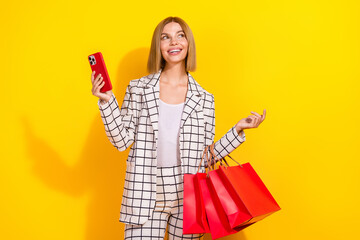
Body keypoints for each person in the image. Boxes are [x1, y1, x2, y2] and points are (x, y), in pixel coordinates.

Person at [91, 16, 266, 240]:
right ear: (159, 46)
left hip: (189, 193)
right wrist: (107, 102)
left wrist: (237, 131)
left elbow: (206, 157)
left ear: (188, 43)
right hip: (144, 189)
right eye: (166, 37)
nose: (173, 42)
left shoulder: (205, 98)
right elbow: (121, 141)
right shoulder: (138, 89)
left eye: (180, 35)